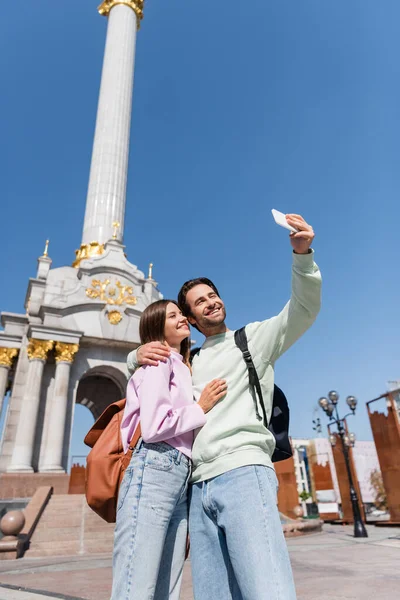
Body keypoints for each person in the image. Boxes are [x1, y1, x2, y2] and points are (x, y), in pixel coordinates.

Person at [127, 214, 322, 600]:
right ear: (191, 320)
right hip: (197, 486)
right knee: (214, 593)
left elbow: (303, 309)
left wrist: (303, 256)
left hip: (244, 472)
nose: (211, 301)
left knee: (266, 587)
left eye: (212, 294)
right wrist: (136, 355)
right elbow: (153, 391)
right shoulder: (188, 363)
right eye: (200, 301)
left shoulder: (253, 340)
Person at [112, 299, 227, 600]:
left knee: (166, 585)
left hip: (179, 473)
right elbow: (153, 427)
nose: (181, 319)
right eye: (171, 315)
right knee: (137, 583)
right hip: (154, 464)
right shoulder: (158, 360)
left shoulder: (181, 364)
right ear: (156, 326)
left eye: (181, 314)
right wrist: (200, 407)